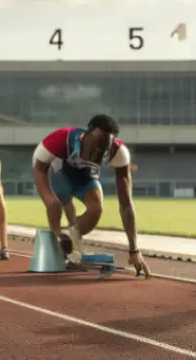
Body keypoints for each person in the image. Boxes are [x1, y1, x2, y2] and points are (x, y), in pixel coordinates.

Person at [32, 114, 149, 277]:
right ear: (86, 136)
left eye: (102, 149)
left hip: (85, 176)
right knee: (56, 204)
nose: (96, 153)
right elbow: (39, 169)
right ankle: (57, 237)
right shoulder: (60, 139)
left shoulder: (119, 153)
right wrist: (49, 200)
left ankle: (73, 240)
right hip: (58, 172)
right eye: (93, 145)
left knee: (96, 208)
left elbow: (126, 204)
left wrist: (134, 250)